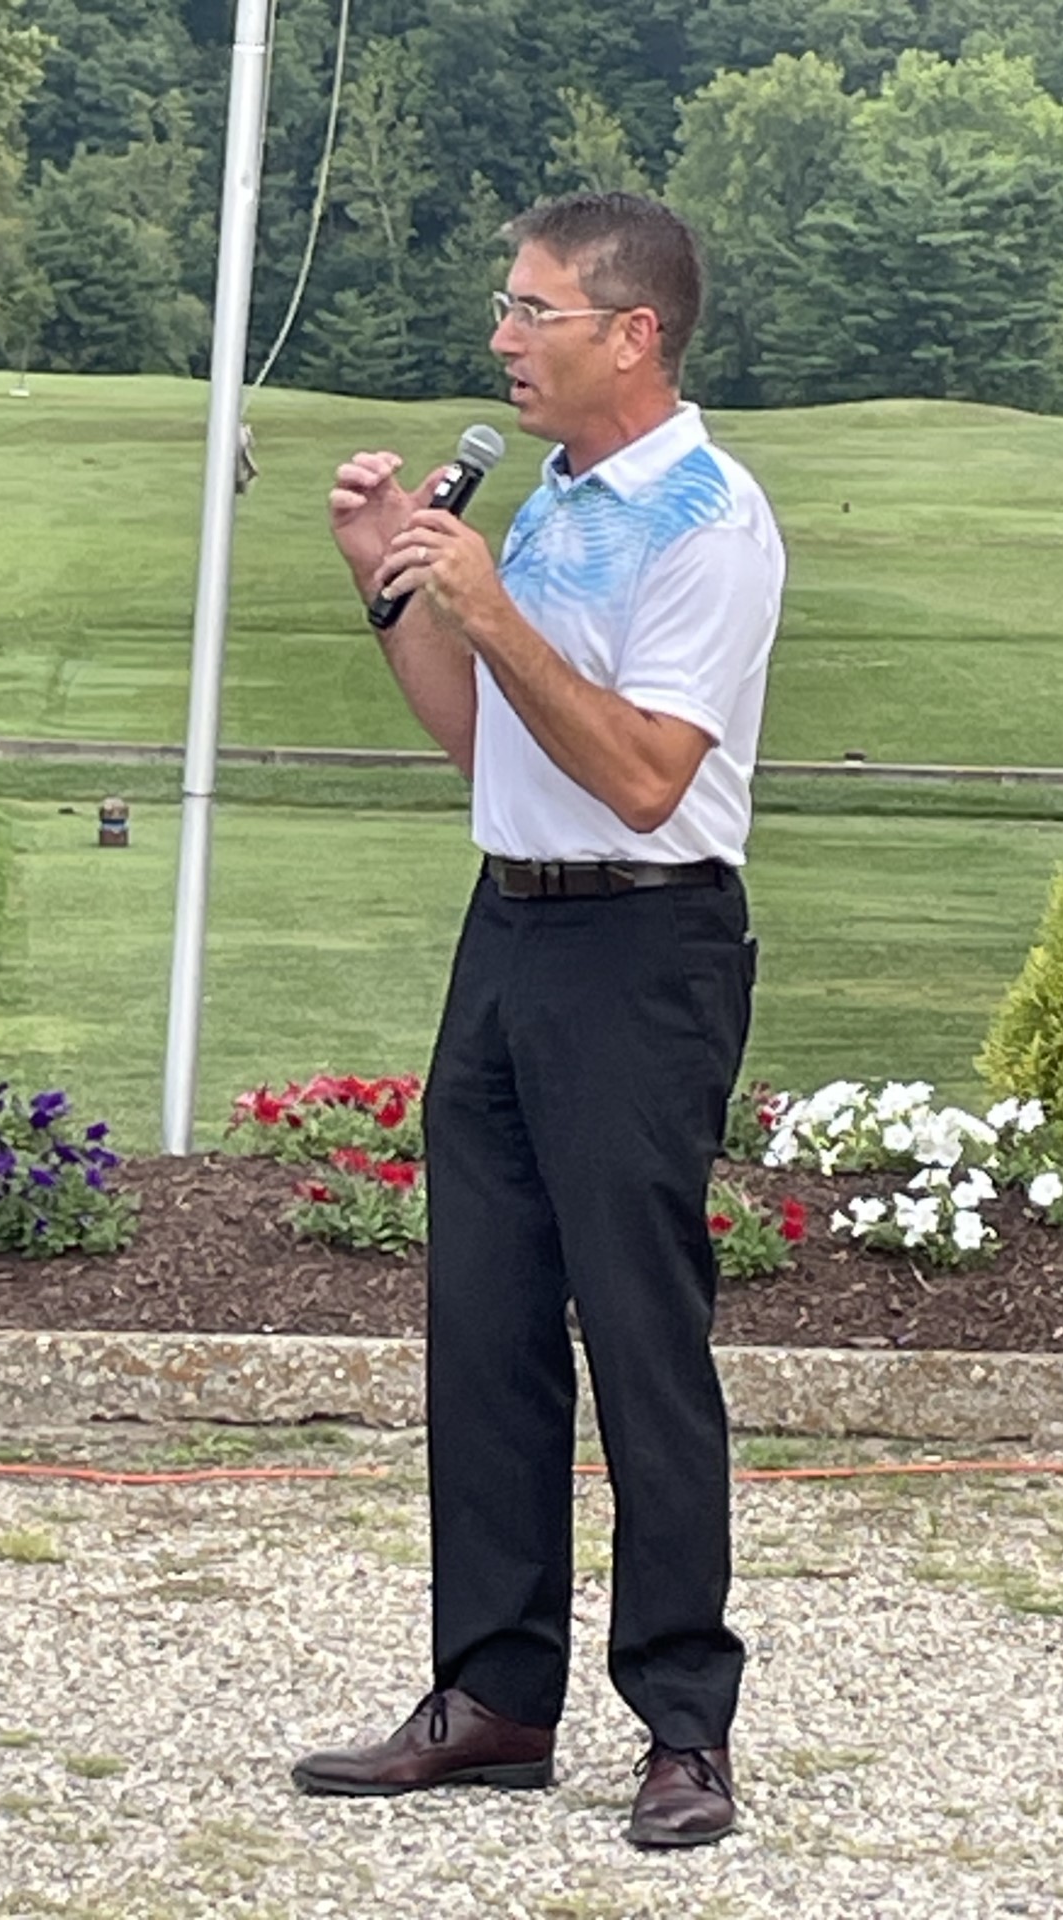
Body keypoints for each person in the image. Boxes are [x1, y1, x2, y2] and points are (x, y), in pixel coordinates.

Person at [291, 191, 785, 1850]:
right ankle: (494, 1696)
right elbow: (483, 749)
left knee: (643, 1342)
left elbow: (649, 778)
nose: (501, 338)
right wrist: (398, 589)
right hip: (508, 932)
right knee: (485, 1328)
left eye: (530, 310)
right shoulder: (552, 500)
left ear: (628, 334)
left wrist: (490, 607)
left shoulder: (708, 519)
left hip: (646, 955)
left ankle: (684, 1727)